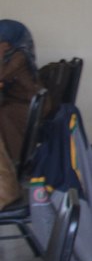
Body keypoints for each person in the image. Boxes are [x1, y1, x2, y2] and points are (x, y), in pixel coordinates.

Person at [0, 19, 44, 161]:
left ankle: (18, 161)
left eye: (2, 41)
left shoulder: (19, 56)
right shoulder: (11, 55)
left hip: (30, 105)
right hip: (19, 101)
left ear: (11, 41)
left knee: (3, 115)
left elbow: (2, 75)